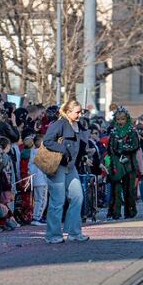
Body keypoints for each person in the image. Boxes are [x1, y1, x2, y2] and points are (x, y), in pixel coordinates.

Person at [42, 99, 88, 244]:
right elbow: (47, 141)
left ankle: (74, 232)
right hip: (58, 165)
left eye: (81, 112)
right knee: (57, 200)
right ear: (68, 112)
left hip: (71, 166)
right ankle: (52, 235)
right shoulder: (60, 123)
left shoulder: (78, 125)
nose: (80, 115)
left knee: (77, 197)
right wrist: (65, 150)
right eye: (77, 112)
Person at [107, 107, 139, 220]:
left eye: (123, 119)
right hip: (116, 164)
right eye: (118, 119)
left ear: (127, 119)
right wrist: (114, 152)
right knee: (116, 190)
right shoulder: (113, 132)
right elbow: (109, 148)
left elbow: (135, 146)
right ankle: (115, 212)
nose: (120, 121)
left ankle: (130, 211)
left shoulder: (132, 131)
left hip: (129, 164)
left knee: (129, 190)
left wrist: (123, 148)